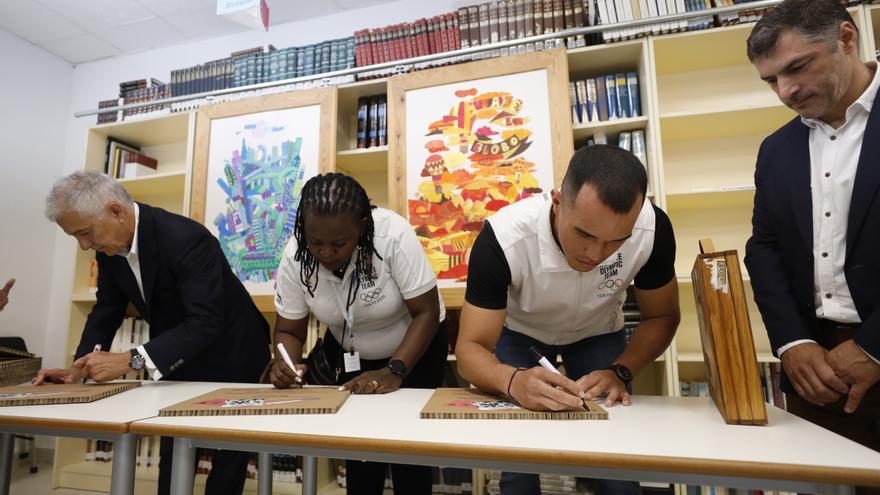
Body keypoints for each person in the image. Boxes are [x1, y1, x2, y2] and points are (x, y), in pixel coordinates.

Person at [456, 144, 679, 495]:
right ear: (557, 202)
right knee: (519, 460)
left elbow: (662, 316)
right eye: (585, 235)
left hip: (599, 333)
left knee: (616, 459)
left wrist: (620, 371)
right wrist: (512, 381)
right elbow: (470, 348)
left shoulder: (653, 232)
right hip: (522, 336)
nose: (596, 254)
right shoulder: (503, 238)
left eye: (616, 241)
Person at [36, 170, 270, 495]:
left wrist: (129, 361)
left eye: (85, 233)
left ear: (116, 211)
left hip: (235, 350)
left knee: (228, 451)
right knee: (173, 449)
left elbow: (205, 321)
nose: (84, 245)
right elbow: (107, 308)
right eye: (76, 237)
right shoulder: (109, 251)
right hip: (178, 351)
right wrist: (79, 367)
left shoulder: (186, 238)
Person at [744, 0, 880, 462]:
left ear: (846, 38)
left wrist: (871, 348)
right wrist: (793, 343)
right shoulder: (776, 150)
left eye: (797, 68)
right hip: (814, 373)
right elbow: (764, 250)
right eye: (771, 81)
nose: (786, 91)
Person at [270, 172, 446, 495]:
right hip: (351, 353)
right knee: (360, 455)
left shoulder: (391, 237)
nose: (325, 253)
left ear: (362, 227)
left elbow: (427, 312)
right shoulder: (295, 257)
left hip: (415, 348)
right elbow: (288, 330)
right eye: (315, 242)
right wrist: (286, 363)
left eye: (338, 244)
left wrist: (395, 370)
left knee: (410, 457)